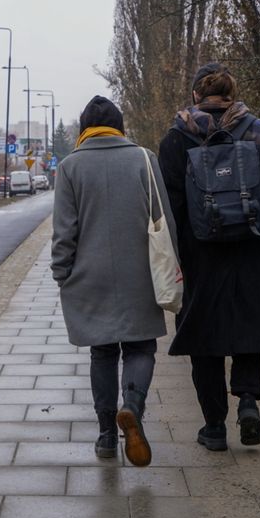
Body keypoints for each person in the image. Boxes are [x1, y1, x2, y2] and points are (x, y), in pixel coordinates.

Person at [157, 62, 260, 451]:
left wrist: (176, 253)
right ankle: (249, 401)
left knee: (204, 338)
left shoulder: (175, 139)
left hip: (200, 252)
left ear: (195, 96)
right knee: (250, 326)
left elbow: (169, 206)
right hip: (253, 246)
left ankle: (214, 427)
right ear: (232, 94)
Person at [51, 96, 178, 466]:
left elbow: (64, 232)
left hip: (90, 277)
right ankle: (133, 408)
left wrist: (62, 273)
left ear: (83, 129)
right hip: (140, 274)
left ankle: (107, 435)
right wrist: (175, 267)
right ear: (120, 125)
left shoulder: (70, 166)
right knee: (141, 349)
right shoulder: (144, 158)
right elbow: (163, 219)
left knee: (102, 352)